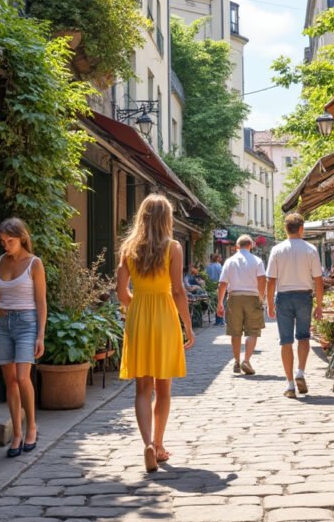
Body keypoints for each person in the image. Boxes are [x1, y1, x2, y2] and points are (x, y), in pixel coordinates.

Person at [117, 194, 195, 473]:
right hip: (163, 317)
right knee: (163, 388)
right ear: (167, 219)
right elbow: (177, 290)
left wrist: (136, 306)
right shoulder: (173, 248)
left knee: (142, 388)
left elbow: (120, 292)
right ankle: (159, 446)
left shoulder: (129, 248)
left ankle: (147, 442)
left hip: (139, 317)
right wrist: (187, 326)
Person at [0, 218, 47, 458]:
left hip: (26, 323)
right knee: (9, 381)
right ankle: (16, 433)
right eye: (2, 241)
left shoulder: (35, 264)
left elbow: (42, 302)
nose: (5, 245)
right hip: (2, 325)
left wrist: (40, 335)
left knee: (23, 377)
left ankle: (31, 426)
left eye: (9, 241)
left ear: (21, 237)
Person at [266, 212, 324, 399]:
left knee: (286, 342)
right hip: (304, 297)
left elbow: (271, 280)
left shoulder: (277, 250)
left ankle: (290, 384)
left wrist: (269, 304)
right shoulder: (310, 249)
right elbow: (318, 279)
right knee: (304, 337)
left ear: (285, 229)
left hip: (283, 296)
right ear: (301, 229)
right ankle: (300, 371)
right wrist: (320, 304)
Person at [217, 235, 266, 375]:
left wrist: (220, 303)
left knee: (235, 331)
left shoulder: (229, 261)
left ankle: (237, 361)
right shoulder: (257, 261)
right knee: (253, 331)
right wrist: (261, 297)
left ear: (237, 246)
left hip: (234, 297)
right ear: (250, 245)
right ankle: (247, 360)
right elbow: (262, 280)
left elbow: (222, 284)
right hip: (252, 296)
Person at [207, 254, 226, 326]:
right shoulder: (219, 266)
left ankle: (218, 321)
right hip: (218, 286)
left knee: (215, 304)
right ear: (217, 259)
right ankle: (220, 320)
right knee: (221, 303)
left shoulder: (208, 267)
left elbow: (206, 277)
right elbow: (222, 278)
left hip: (210, 287)